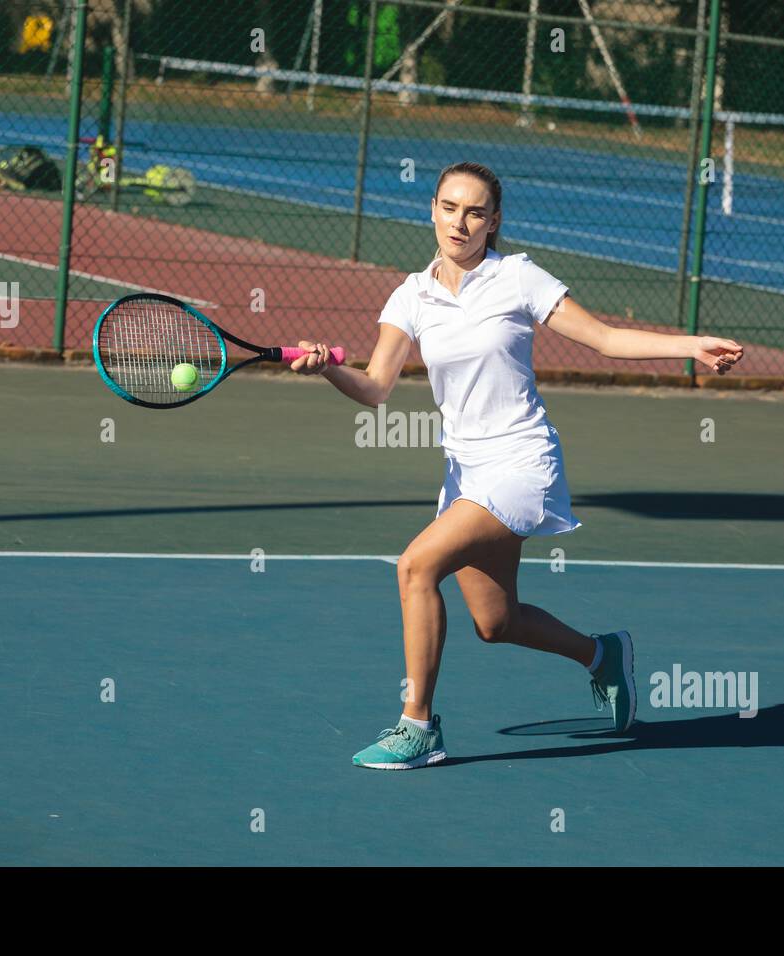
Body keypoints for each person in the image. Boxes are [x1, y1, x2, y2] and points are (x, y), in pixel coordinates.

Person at [291, 161, 744, 769]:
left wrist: (691, 345)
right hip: (465, 472)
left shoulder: (518, 279)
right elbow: (375, 388)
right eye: (450, 207)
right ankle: (602, 655)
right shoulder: (411, 296)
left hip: (523, 462)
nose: (460, 221)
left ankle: (418, 725)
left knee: (414, 568)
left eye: (475, 211)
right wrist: (327, 368)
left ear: (493, 221)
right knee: (495, 622)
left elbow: (606, 339)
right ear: (431, 210)